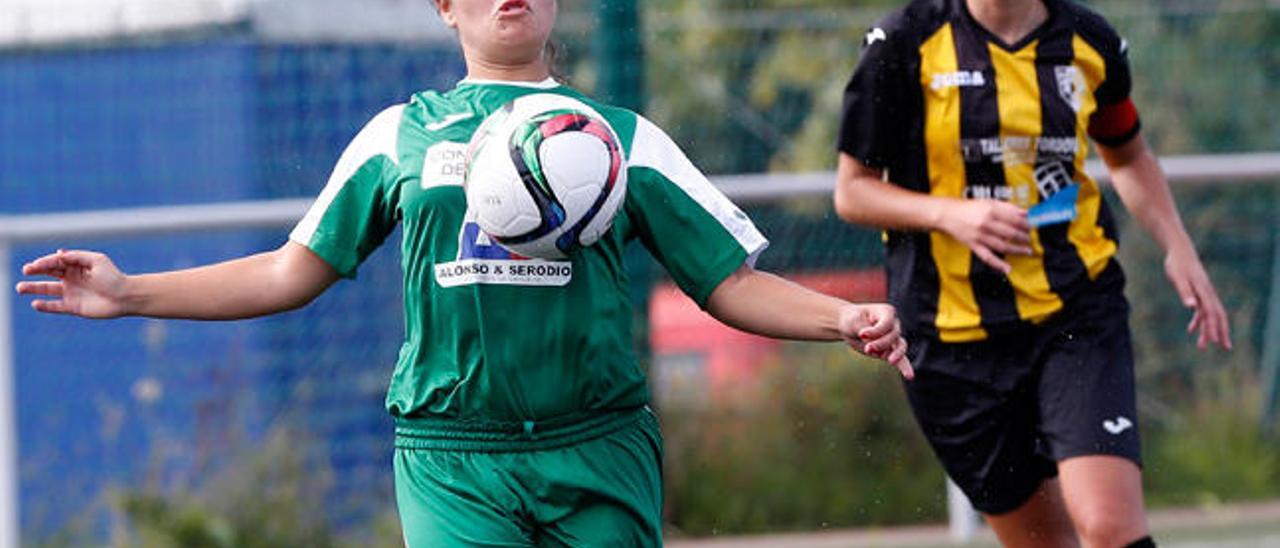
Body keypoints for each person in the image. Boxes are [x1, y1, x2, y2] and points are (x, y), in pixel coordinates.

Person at [16, 0, 911, 546]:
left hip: (598, 447)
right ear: (446, 6)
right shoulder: (398, 137)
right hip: (455, 459)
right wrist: (131, 294)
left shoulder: (621, 138)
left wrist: (842, 321)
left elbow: (727, 280)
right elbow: (291, 271)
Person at [833, 0, 1231, 547]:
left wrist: (1177, 245)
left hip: (1075, 312)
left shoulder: (1089, 41)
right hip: (950, 337)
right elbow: (853, 190)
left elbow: (1127, 152)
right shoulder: (904, 41)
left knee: (1112, 528)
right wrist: (949, 213)